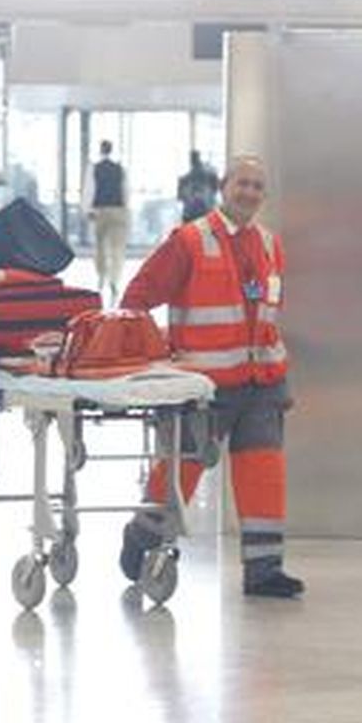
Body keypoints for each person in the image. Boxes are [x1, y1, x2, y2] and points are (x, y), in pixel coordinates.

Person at [117, 155, 305, 599]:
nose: (250, 193)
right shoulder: (188, 241)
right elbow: (136, 298)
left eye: (258, 187)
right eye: (243, 184)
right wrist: (151, 358)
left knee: (264, 474)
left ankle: (264, 571)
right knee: (181, 470)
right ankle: (142, 537)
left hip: (262, 384)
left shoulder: (270, 245)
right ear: (224, 187)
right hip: (204, 387)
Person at [85, 139, 129, 305]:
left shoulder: (94, 168)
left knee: (100, 246)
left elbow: (90, 189)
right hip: (118, 210)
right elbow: (126, 190)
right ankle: (115, 279)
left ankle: (101, 276)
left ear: (101, 150)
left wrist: (88, 209)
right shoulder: (120, 168)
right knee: (117, 248)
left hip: (100, 210)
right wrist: (125, 209)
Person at [176, 150, 218, 224]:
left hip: (193, 217)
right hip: (205, 216)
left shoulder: (183, 179)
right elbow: (215, 191)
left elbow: (180, 198)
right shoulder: (211, 176)